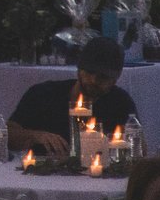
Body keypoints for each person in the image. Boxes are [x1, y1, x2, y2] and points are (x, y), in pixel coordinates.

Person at [10, 35, 140, 156]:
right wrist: (35, 136)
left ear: (116, 78)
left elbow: (138, 149)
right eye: (89, 72)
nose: (93, 80)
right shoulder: (44, 94)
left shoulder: (120, 103)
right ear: (79, 68)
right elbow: (8, 133)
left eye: (103, 77)